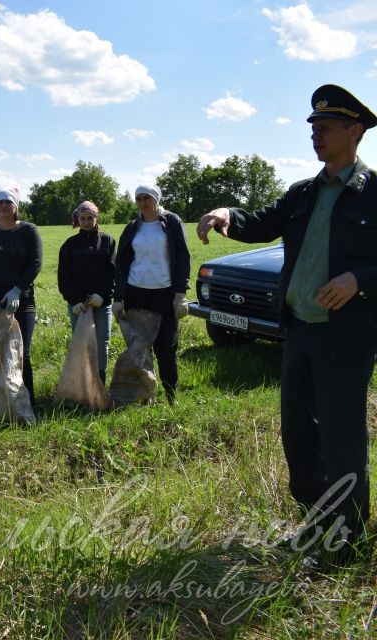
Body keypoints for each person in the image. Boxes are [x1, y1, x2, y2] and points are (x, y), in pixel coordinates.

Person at [197, 84, 377, 565]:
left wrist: (359, 278)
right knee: (300, 437)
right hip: (298, 331)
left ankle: (346, 543)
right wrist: (225, 214)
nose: (315, 134)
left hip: (344, 339)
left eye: (326, 127)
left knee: (342, 442)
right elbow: (260, 222)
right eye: (313, 127)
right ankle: (316, 525)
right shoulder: (302, 193)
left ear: (355, 131)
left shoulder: (374, 193)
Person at [112, 184, 191, 403]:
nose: (143, 202)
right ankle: (144, 396)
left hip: (165, 295)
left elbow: (183, 257)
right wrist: (118, 298)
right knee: (139, 348)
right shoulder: (132, 227)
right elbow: (122, 264)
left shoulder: (171, 222)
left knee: (166, 348)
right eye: (139, 198)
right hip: (137, 294)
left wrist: (180, 293)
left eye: (147, 198)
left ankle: (171, 396)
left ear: (156, 199)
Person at [0, 186, 42, 404]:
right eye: (0, 202)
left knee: (22, 352)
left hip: (22, 302)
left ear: (16, 206)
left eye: (8, 202)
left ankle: (26, 402)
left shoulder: (29, 231)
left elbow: (35, 263)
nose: (4, 205)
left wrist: (17, 290)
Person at [57, 200, 116, 384]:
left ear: (96, 218)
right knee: (81, 344)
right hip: (79, 306)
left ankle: (100, 383)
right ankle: (83, 385)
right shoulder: (70, 245)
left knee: (101, 345)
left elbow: (113, 272)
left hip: (101, 304)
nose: (86, 222)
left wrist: (102, 294)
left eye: (90, 218)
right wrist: (74, 300)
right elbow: (64, 276)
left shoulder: (107, 241)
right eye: (82, 218)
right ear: (78, 220)